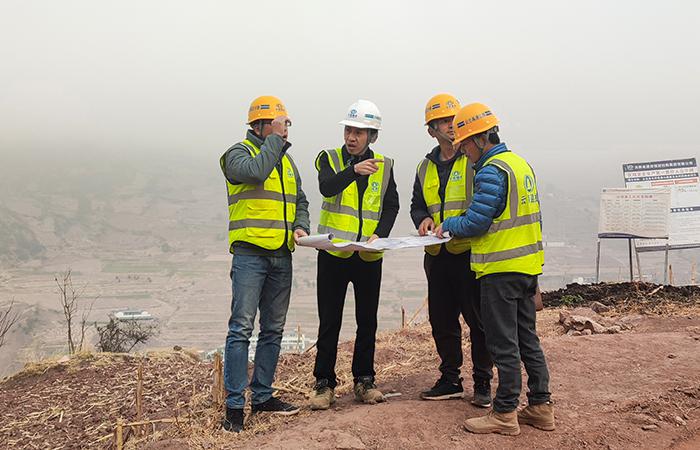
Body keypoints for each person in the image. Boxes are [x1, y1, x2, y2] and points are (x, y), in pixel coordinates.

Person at [436, 102, 553, 436]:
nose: (464, 151)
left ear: (480, 139)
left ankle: (504, 412)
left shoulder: (490, 170)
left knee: (503, 344)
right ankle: (541, 406)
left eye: (465, 144)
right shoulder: (520, 164)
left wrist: (448, 225)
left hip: (501, 271)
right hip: (526, 267)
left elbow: (477, 222)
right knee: (528, 340)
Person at [219, 95, 310, 433]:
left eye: (286, 125)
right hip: (250, 255)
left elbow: (301, 199)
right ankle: (234, 407)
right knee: (241, 329)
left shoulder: (287, 162)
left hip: (281, 254)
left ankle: (263, 396)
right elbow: (256, 172)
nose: (286, 130)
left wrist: (301, 225)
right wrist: (275, 141)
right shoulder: (237, 154)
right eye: (280, 124)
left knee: (273, 329)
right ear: (261, 125)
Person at [309, 99, 399, 410]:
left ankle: (364, 380)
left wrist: (380, 234)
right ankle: (324, 383)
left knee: (367, 321)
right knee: (329, 321)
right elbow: (326, 187)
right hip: (333, 254)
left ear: (372, 136)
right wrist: (353, 170)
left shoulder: (385, 166)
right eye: (348, 130)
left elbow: (391, 205)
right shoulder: (329, 158)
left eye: (359, 132)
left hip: (368, 256)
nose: (351, 137)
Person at [410, 94, 493, 406]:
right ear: (431, 130)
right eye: (443, 122)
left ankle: (483, 382)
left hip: (468, 253)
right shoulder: (424, 167)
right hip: (437, 255)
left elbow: (484, 203)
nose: (450, 126)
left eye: (453, 120)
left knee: (479, 321)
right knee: (442, 321)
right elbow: (417, 205)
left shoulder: (473, 159)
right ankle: (450, 379)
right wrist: (423, 219)